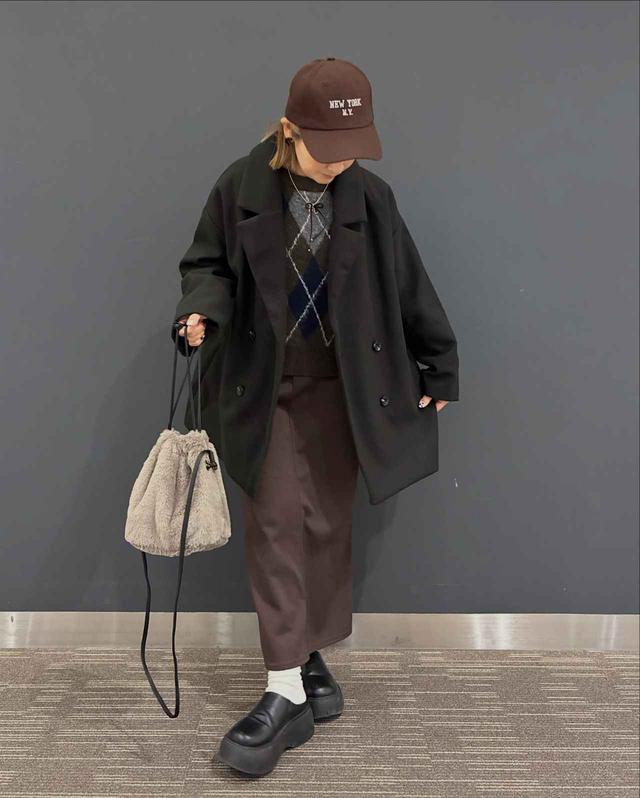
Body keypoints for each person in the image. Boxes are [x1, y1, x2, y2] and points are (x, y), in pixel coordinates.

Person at [173, 56, 459, 777]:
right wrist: (200, 311)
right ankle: (285, 692)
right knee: (275, 523)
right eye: (326, 149)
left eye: (352, 149)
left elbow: (408, 282)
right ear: (289, 130)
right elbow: (206, 265)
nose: (339, 164)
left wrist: (439, 363)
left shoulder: (371, 197)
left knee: (327, 524)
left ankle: (308, 659)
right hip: (262, 383)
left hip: (344, 387)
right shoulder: (240, 187)